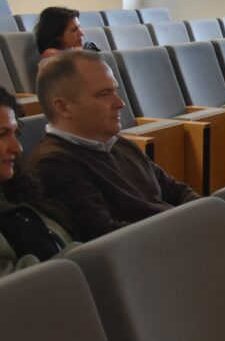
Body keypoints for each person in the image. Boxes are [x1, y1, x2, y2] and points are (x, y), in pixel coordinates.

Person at [25, 51, 200, 242]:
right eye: (104, 94)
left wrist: (206, 215)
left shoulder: (119, 144)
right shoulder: (53, 164)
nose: (120, 102)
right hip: (150, 256)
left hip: (178, 240)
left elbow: (177, 191)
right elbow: (106, 236)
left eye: (115, 91)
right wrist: (185, 230)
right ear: (63, 107)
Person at [0, 87, 78, 275]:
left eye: (15, 134)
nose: (17, 148)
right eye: (2, 135)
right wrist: (81, 255)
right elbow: (13, 291)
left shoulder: (17, 188)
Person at [34, 6, 101, 58]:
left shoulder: (80, 50)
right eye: (74, 30)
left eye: (79, 27)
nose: (82, 33)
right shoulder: (50, 56)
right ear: (57, 35)